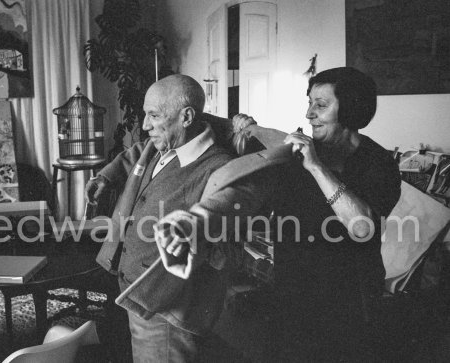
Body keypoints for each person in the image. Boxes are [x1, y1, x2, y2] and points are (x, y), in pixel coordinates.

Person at [154, 67, 402, 361]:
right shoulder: (297, 155)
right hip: (292, 292)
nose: (309, 114)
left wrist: (316, 167)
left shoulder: (378, 163)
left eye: (320, 106)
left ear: (351, 110)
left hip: (349, 300)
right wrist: (248, 131)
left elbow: (362, 227)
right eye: (309, 103)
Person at [84, 74, 235, 362]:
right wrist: (107, 175)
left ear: (187, 117)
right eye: (145, 114)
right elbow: (135, 152)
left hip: (167, 309)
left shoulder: (218, 167)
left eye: (153, 115)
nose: (144, 125)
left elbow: (222, 208)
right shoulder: (163, 143)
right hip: (139, 293)